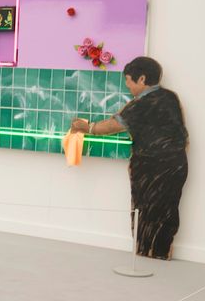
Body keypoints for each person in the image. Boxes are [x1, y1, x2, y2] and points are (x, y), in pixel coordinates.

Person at [71, 56, 188, 259]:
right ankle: (160, 253)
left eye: (128, 80)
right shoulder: (170, 97)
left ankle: (145, 252)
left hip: (151, 167)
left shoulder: (141, 105)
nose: (126, 85)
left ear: (142, 79)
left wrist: (86, 126)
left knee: (145, 210)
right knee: (167, 210)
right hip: (177, 164)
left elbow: (110, 127)